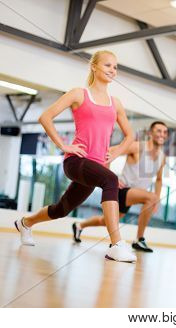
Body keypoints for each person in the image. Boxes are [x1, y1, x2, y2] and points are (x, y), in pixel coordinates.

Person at [14, 50, 136, 262]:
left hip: (96, 166)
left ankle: (25, 223)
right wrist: (63, 145)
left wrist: (115, 151)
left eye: (115, 67)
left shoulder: (115, 103)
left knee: (62, 209)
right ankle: (116, 245)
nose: (112, 70)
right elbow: (46, 117)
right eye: (107, 65)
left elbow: (130, 135)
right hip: (76, 161)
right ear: (94, 66)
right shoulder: (79, 94)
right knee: (111, 180)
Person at [72, 121, 168, 252]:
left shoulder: (162, 157)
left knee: (104, 221)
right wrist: (110, 177)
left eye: (165, 132)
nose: (162, 134)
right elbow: (110, 151)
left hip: (134, 194)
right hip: (122, 190)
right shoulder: (137, 147)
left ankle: (79, 225)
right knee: (150, 198)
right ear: (150, 133)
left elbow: (159, 179)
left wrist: (157, 198)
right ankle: (139, 240)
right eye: (159, 131)